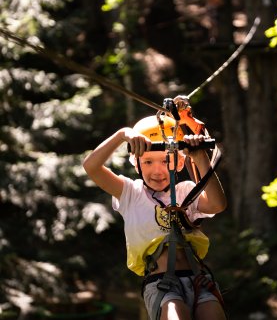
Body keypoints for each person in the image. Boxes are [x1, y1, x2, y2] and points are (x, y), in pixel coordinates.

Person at [83, 113, 227, 320]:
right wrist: (123, 134)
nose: (157, 170)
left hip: (198, 278)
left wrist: (199, 156)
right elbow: (91, 167)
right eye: (148, 161)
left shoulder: (187, 191)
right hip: (162, 284)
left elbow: (217, 204)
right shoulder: (130, 193)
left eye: (165, 160)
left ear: (178, 163)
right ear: (136, 163)